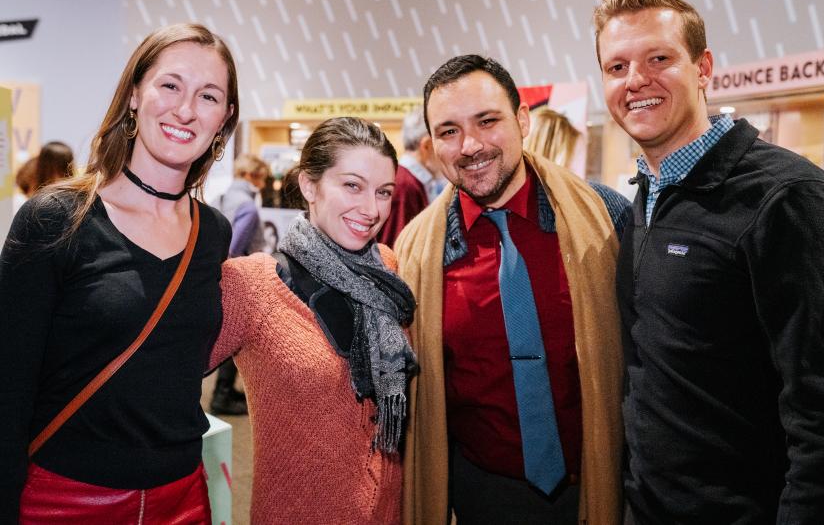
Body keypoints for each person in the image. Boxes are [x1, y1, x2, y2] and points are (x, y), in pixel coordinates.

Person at [593, 0, 824, 524]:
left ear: (703, 67)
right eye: (616, 66)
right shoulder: (649, 197)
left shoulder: (787, 199)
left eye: (659, 58)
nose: (636, 80)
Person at [0, 22, 239, 524]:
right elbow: (9, 385)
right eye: (170, 85)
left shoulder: (213, 233)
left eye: (209, 96)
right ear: (134, 95)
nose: (186, 109)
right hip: (64, 501)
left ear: (225, 118)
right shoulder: (56, 218)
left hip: (183, 497)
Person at [394, 55, 630, 525]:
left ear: (522, 120)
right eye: (448, 131)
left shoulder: (606, 218)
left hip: (603, 483)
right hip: (485, 493)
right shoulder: (415, 254)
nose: (470, 145)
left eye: (487, 121)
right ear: (433, 143)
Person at [210, 116, 417, 524]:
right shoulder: (254, 284)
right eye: (352, 186)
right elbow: (161, 373)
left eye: (384, 192)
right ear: (309, 185)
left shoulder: (387, 269)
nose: (372, 209)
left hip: (388, 512)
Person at [209, 153, 270, 415]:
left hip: (216, 276)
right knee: (236, 337)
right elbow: (235, 248)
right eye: (261, 178)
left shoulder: (221, 198)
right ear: (250, 175)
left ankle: (225, 391)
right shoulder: (247, 205)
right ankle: (222, 394)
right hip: (240, 277)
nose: (263, 184)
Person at [377, 106, 443, 247]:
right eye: (444, 139)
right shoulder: (406, 186)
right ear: (427, 145)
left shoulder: (404, 179)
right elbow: (396, 249)